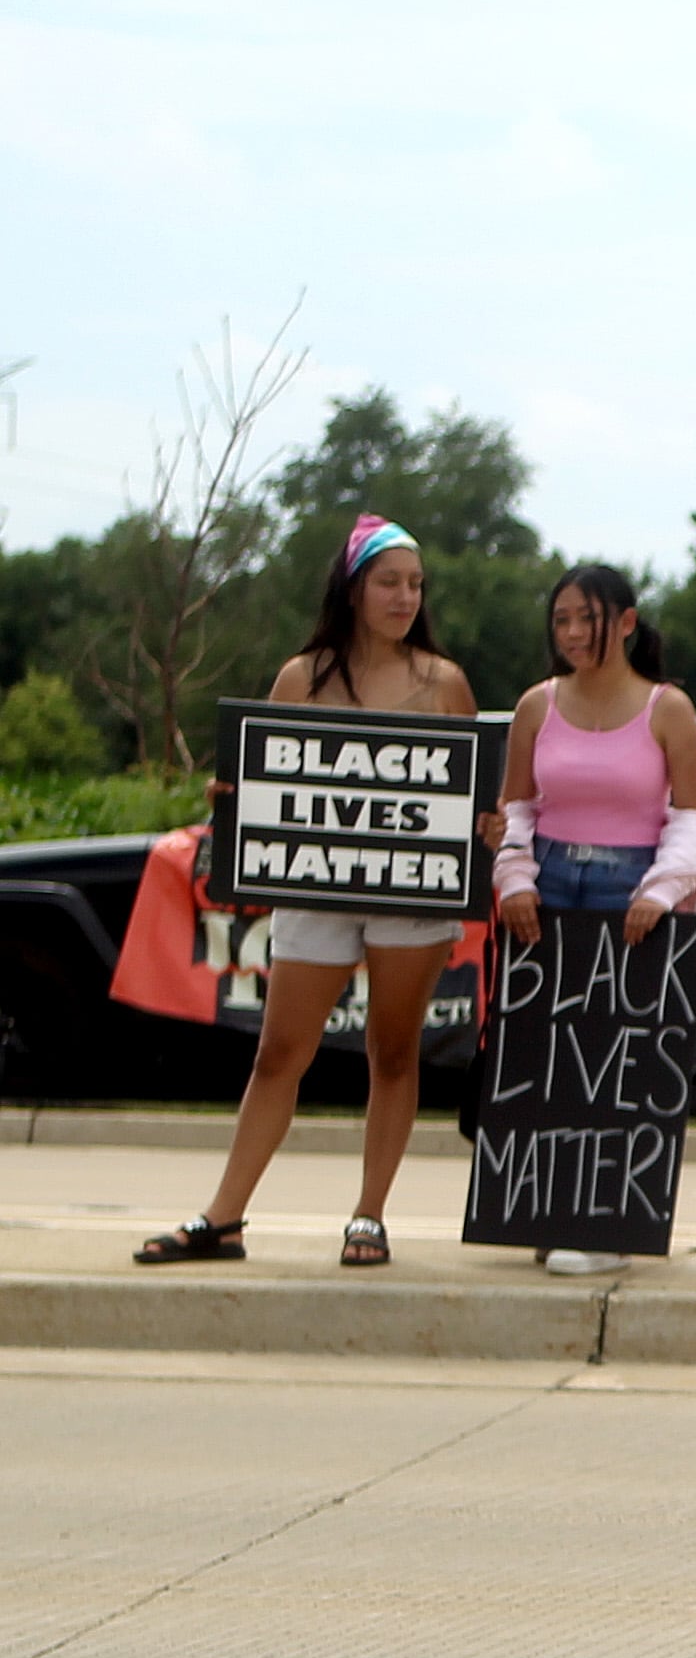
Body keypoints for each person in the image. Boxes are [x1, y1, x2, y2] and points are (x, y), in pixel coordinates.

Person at [136, 515, 483, 1270]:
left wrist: (486, 824)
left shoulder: (444, 682)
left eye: (416, 584)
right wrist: (233, 794)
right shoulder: (304, 676)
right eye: (390, 581)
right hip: (315, 892)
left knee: (393, 1053)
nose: (405, 597)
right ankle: (223, 1218)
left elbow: (469, 794)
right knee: (277, 1054)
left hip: (412, 898)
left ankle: (369, 1216)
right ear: (354, 588)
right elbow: (265, 782)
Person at [494, 563, 696, 1279]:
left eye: (586, 617)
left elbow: (692, 814)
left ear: (625, 621)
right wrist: (515, 876)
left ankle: (611, 1222)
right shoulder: (537, 705)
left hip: (633, 884)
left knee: (620, 1056)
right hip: (550, 880)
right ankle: (548, 1207)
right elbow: (514, 810)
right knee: (545, 1049)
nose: (572, 633)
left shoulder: (667, 708)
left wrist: (663, 889)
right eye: (560, 620)